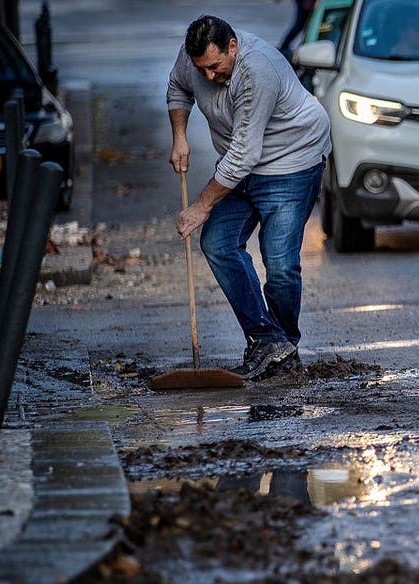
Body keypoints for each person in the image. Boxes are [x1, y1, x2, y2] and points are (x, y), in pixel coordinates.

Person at [167, 15, 332, 380]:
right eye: (201, 69)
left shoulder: (258, 70)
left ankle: (284, 350)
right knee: (218, 243)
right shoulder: (194, 59)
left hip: (292, 161)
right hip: (240, 166)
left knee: (280, 265)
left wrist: (200, 207)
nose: (208, 77)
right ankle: (267, 340)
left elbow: (244, 154)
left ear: (233, 46)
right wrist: (179, 135)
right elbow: (179, 89)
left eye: (215, 66)